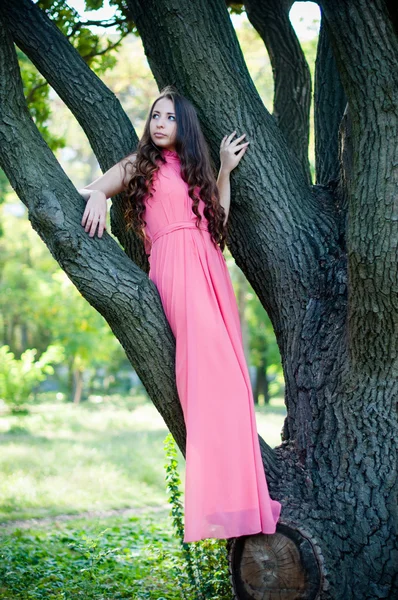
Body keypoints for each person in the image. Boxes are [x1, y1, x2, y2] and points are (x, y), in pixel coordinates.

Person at [78, 86, 281, 543]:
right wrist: (97, 197)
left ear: (183, 124)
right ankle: (218, 505)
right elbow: (93, 187)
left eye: (169, 116)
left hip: (208, 268)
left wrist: (225, 170)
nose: (159, 122)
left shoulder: (194, 170)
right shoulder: (139, 164)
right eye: (154, 115)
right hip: (176, 270)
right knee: (205, 381)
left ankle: (241, 503)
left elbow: (217, 225)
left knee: (230, 381)